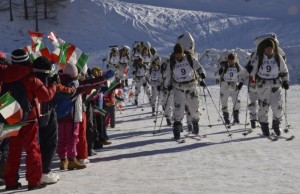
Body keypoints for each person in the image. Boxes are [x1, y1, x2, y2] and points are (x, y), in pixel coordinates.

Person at [1, 49, 57, 191]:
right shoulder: (31, 78)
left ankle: (10, 181)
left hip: (9, 115)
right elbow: (46, 96)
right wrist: (53, 85)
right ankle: (34, 181)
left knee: (13, 151)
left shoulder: (4, 74)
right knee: (32, 149)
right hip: (29, 118)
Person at [165, 41, 206, 140]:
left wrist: (202, 74)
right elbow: (168, 75)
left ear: (182, 53)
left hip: (191, 86)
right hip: (178, 87)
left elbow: (199, 67)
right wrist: (168, 85)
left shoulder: (189, 59)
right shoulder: (172, 62)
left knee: (194, 108)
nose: (178, 56)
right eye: (176, 54)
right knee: (178, 109)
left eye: (180, 54)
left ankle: (195, 121)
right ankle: (177, 132)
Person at [250, 37, 289, 136]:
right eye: (267, 48)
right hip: (263, 86)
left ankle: (276, 124)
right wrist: (252, 82)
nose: (269, 50)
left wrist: (285, 81)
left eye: (270, 48)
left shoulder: (278, 58)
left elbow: (284, 71)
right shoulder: (259, 58)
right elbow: (253, 71)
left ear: (273, 48)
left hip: (275, 85)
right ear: (264, 49)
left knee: (277, 106)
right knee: (263, 106)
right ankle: (264, 126)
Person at [32, 56, 60, 185]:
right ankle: (45, 172)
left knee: (36, 145)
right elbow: (47, 95)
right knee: (49, 142)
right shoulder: (41, 80)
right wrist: (54, 83)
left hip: (32, 115)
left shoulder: (28, 77)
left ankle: (38, 172)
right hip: (45, 112)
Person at [218, 52, 245, 124]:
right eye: (230, 60)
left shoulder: (237, 66)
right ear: (228, 60)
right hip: (225, 84)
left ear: (234, 60)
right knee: (224, 101)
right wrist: (220, 72)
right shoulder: (224, 66)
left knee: (236, 101)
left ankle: (236, 116)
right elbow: (218, 74)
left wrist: (241, 82)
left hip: (234, 84)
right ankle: (226, 116)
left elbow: (243, 74)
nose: (231, 61)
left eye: (232, 60)